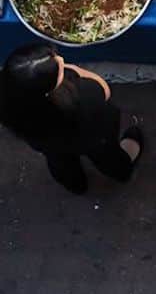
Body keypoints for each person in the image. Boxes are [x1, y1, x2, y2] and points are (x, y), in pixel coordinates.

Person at [0, 43, 143, 194]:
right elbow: (104, 89)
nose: (61, 60)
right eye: (57, 66)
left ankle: (75, 185)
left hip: (45, 143)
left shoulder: (10, 103)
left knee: (59, 160)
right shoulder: (84, 95)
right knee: (107, 156)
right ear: (49, 90)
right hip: (92, 137)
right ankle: (121, 172)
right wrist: (73, 69)